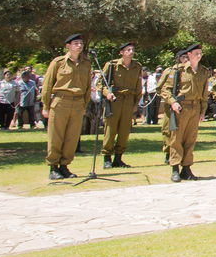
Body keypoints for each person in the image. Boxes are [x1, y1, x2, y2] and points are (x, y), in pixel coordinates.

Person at [40, 34, 92, 180]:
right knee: (56, 136)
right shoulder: (58, 62)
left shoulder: (86, 63)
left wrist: (84, 105)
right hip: (61, 101)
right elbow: (48, 85)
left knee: (72, 137)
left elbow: (88, 87)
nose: (79, 46)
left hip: (78, 103)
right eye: (76, 43)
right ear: (68, 46)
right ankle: (53, 167)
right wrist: (45, 106)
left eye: (81, 43)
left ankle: (64, 166)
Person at [160, 42, 212, 182]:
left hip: (195, 108)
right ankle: (175, 168)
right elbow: (165, 89)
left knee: (190, 139)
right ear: (189, 55)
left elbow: (204, 94)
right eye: (196, 53)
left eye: (200, 53)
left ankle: (186, 168)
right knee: (176, 139)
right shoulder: (178, 70)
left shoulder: (203, 71)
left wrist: (203, 111)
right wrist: (173, 102)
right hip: (181, 107)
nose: (199, 56)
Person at [98, 42, 141, 168]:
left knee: (124, 131)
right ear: (121, 52)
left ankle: (118, 158)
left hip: (129, 100)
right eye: (128, 50)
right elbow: (100, 83)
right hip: (114, 100)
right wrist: (107, 94)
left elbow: (138, 87)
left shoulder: (137, 66)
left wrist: (136, 103)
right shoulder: (112, 65)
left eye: (132, 49)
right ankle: (107, 157)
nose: (131, 52)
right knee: (110, 130)